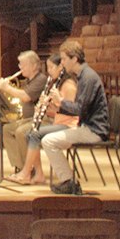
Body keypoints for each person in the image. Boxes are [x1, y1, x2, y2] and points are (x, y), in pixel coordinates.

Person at [39, 39, 108, 195]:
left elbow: (80, 110)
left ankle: (69, 182)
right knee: (49, 139)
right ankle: (69, 181)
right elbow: (79, 109)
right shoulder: (84, 76)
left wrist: (61, 101)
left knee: (48, 141)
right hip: (88, 127)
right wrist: (56, 107)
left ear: (75, 59)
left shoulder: (88, 78)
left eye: (64, 59)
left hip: (94, 130)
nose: (62, 63)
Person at [11, 55, 74, 186]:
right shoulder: (56, 85)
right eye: (48, 67)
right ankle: (38, 174)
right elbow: (56, 112)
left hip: (69, 126)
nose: (49, 71)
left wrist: (57, 103)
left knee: (33, 134)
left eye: (51, 67)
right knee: (30, 134)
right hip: (59, 122)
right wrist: (45, 106)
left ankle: (26, 172)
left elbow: (73, 111)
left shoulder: (69, 85)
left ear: (60, 67)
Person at [0, 50, 47, 173]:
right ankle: (20, 166)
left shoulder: (41, 79)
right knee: (7, 129)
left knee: (21, 132)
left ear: (34, 66)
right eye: (19, 64)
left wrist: (7, 88)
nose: (20, 67)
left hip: (40, 120)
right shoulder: (29, 80)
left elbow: (26, 97)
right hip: (28, 119)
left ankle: (28, 169)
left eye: (23, 64)